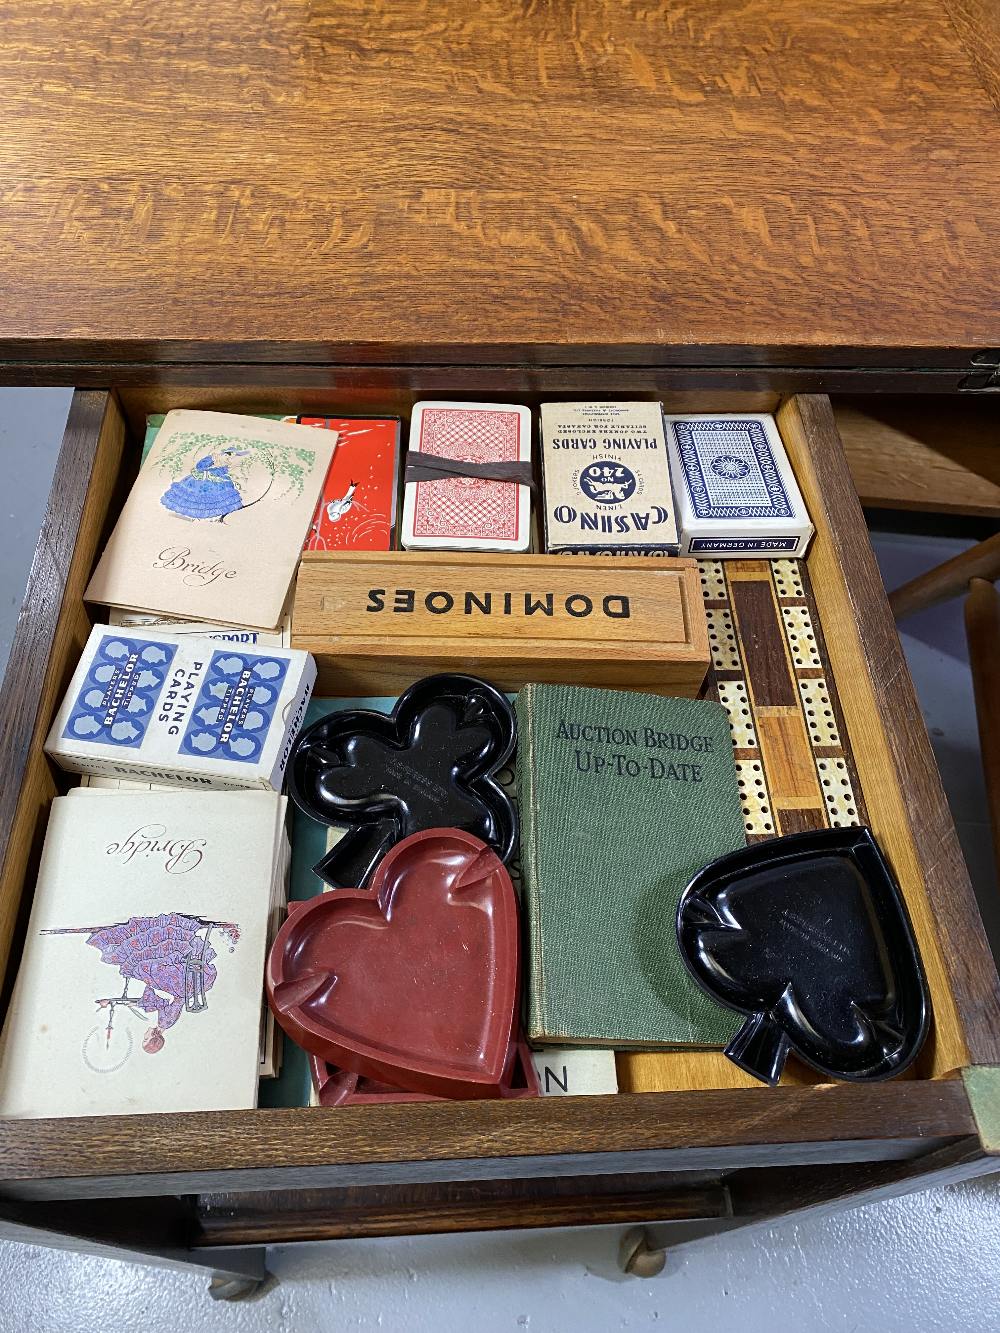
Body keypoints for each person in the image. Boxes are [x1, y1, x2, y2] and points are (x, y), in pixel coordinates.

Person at [160, 446, 249, 521]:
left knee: (220, 497)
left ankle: (217, 517)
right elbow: (199, 467)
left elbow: (221, 472)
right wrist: (210, 470)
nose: (229, 460)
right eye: (228, 457)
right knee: (198, 497)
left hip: (217, 481)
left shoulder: (224, 463)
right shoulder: (214, 457)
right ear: (225, 454)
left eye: (231, 458)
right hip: (203, 479)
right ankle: (194, 517)